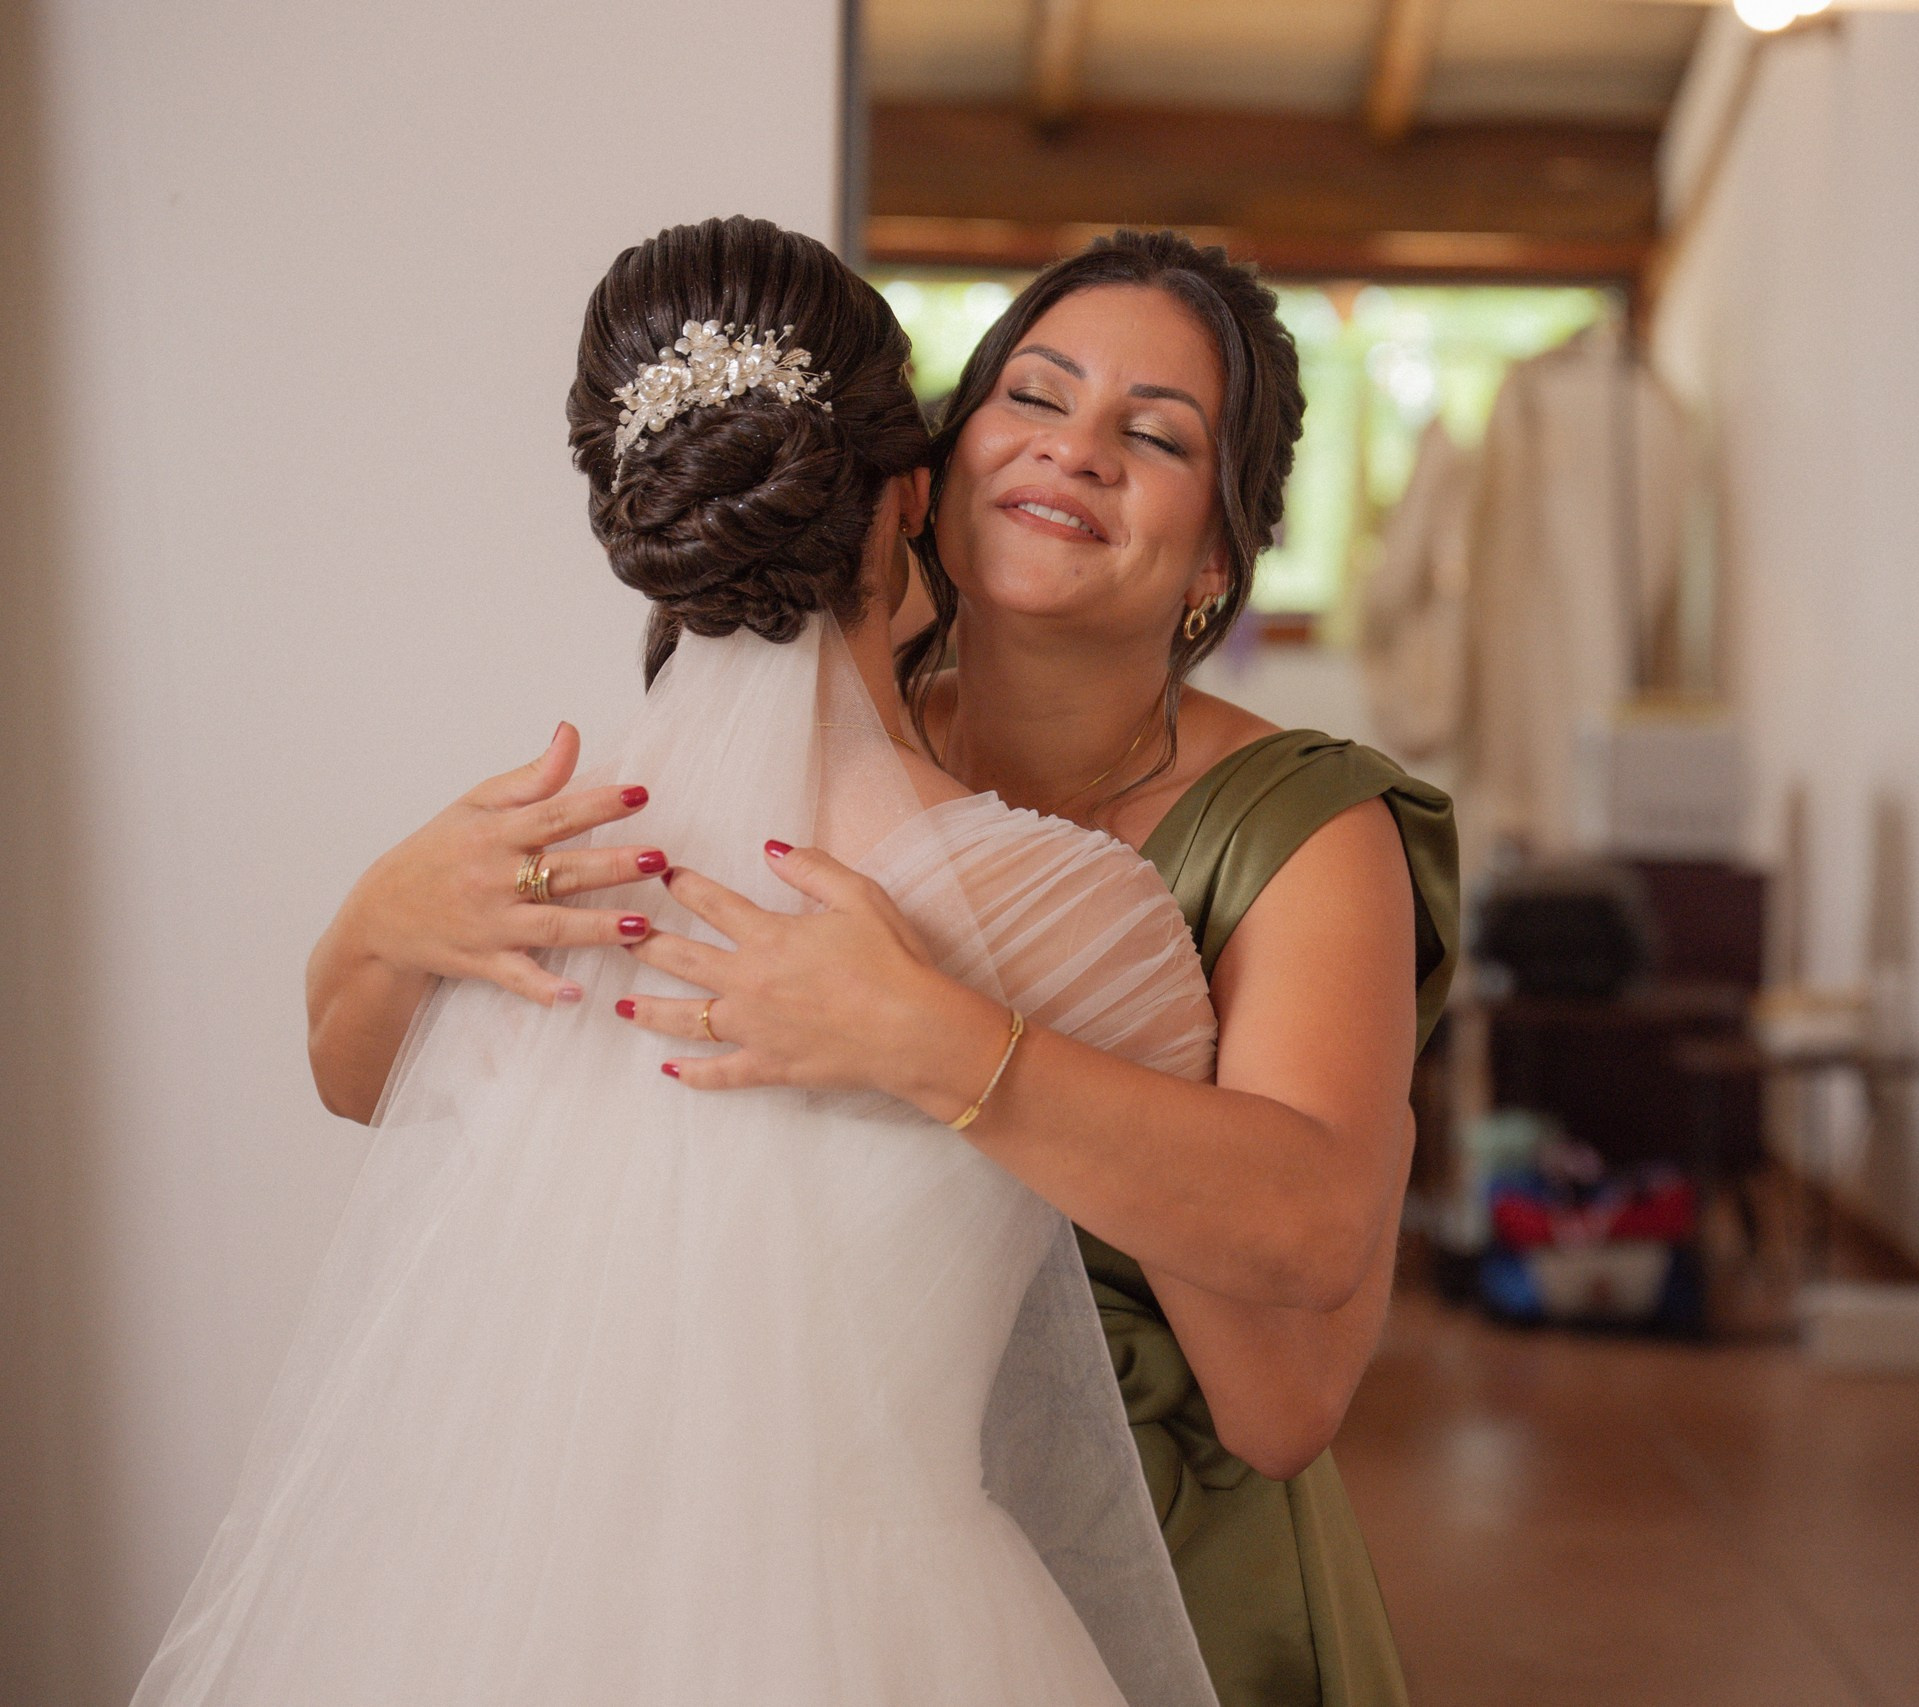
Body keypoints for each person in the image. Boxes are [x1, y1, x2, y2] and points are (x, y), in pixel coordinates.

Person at [307, 230, 1458, 1707]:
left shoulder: (1297, 839)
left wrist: (946, 1045)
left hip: (1155, 1558)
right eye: (1035, 398)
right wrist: (378, 917)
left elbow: (1288, 1394)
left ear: (1223, 551)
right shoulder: (759, 745)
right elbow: (380, 1085)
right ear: (930, 463)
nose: (1078, 451)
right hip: (722, 1559)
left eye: (1155, 434)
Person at [141, 217, 1219, 1707]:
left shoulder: (528, 854)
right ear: (910, 498)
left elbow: (356, 1082)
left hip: (476, 1596)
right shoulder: (1072, 912)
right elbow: (1270, 1325)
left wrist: (378, 921)